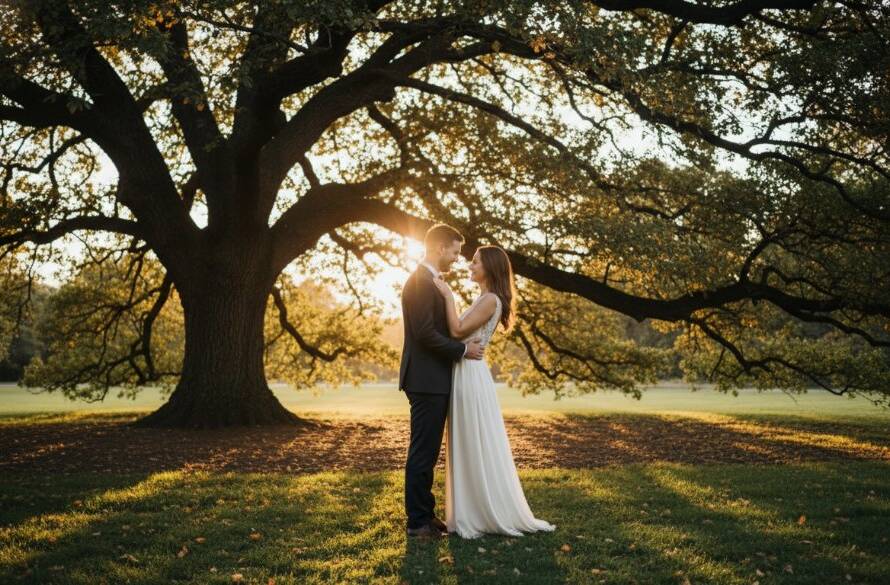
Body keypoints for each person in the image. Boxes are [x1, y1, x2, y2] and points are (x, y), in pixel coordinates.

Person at [432, 244, 557, 538]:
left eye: (475, 262)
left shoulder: (490, 300)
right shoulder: (484, 298)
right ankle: (470, 509)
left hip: (471, 375)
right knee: (468, 439)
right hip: (466, 372)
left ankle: (478, 512)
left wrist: (447, 295)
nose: (469, 266)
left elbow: (457, 330)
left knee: (472, 438)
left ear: (489, 267)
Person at [399, 223, 485, 538]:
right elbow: (424, 334)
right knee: (422, 451)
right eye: (455, 251)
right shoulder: (421, 281)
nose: (457, 257)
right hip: (425, 379)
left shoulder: (429, 280)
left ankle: (426, 513)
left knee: (429, 450)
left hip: (431, 377)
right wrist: (463, 349)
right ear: (439, 248)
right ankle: (417, 522)